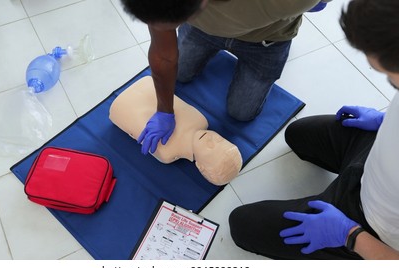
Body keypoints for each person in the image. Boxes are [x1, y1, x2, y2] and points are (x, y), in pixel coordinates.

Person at [228, 0, 399, 260]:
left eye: (389, 74)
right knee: (298, 134)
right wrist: (386, 120)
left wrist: (351, 236)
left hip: (373, 227)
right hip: (375, 157)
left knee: (242, 225)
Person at [119, 0, 331, 155]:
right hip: (203, 29)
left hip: (267, 39)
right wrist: (164, 110)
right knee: (179, 73)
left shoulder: (284, 3)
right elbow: (164, 55)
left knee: (241, 112)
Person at [109, 76, 242, 186]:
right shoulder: (201, 120)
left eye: (210, 147)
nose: (211, 139)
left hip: (120, 104)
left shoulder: (167, 153)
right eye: (220, 140)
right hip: (150, 84)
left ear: (200, 166)